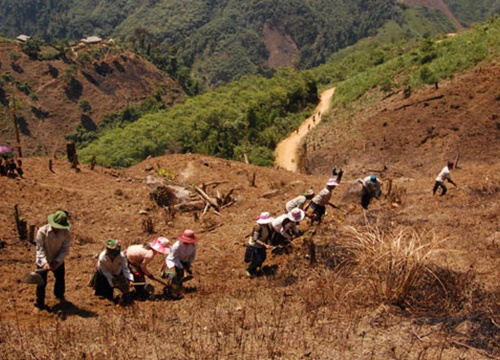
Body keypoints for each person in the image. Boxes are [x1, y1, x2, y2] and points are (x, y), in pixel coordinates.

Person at [34, 210, 71, 311]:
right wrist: (45, 263)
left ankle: (59, 296)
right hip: (43, 259)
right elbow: (39, 249)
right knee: (41, 282)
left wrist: (57, 261)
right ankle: (39, 303)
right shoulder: (42, 231)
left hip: (58, 259)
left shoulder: (66, 233)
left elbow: (65, 249)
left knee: (60, 278)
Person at [162, 229, 199, 299]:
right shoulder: (177, 246)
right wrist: (180, 266)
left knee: (180, 277)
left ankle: (178, 289)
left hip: (183, 261)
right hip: (172, 261)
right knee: (174, 276)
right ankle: (172, 291)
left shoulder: (193, 246)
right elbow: (172, 257)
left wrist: (188, 263)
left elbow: (192, 256)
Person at [244, 212, 275, 278]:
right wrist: (265, 245)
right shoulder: (258, 227)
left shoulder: (266, 226)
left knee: (262, 257)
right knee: (257, 259)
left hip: (261, 245)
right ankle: (249, 270)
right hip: (254, 246)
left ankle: (254, 269)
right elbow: (255, 239)